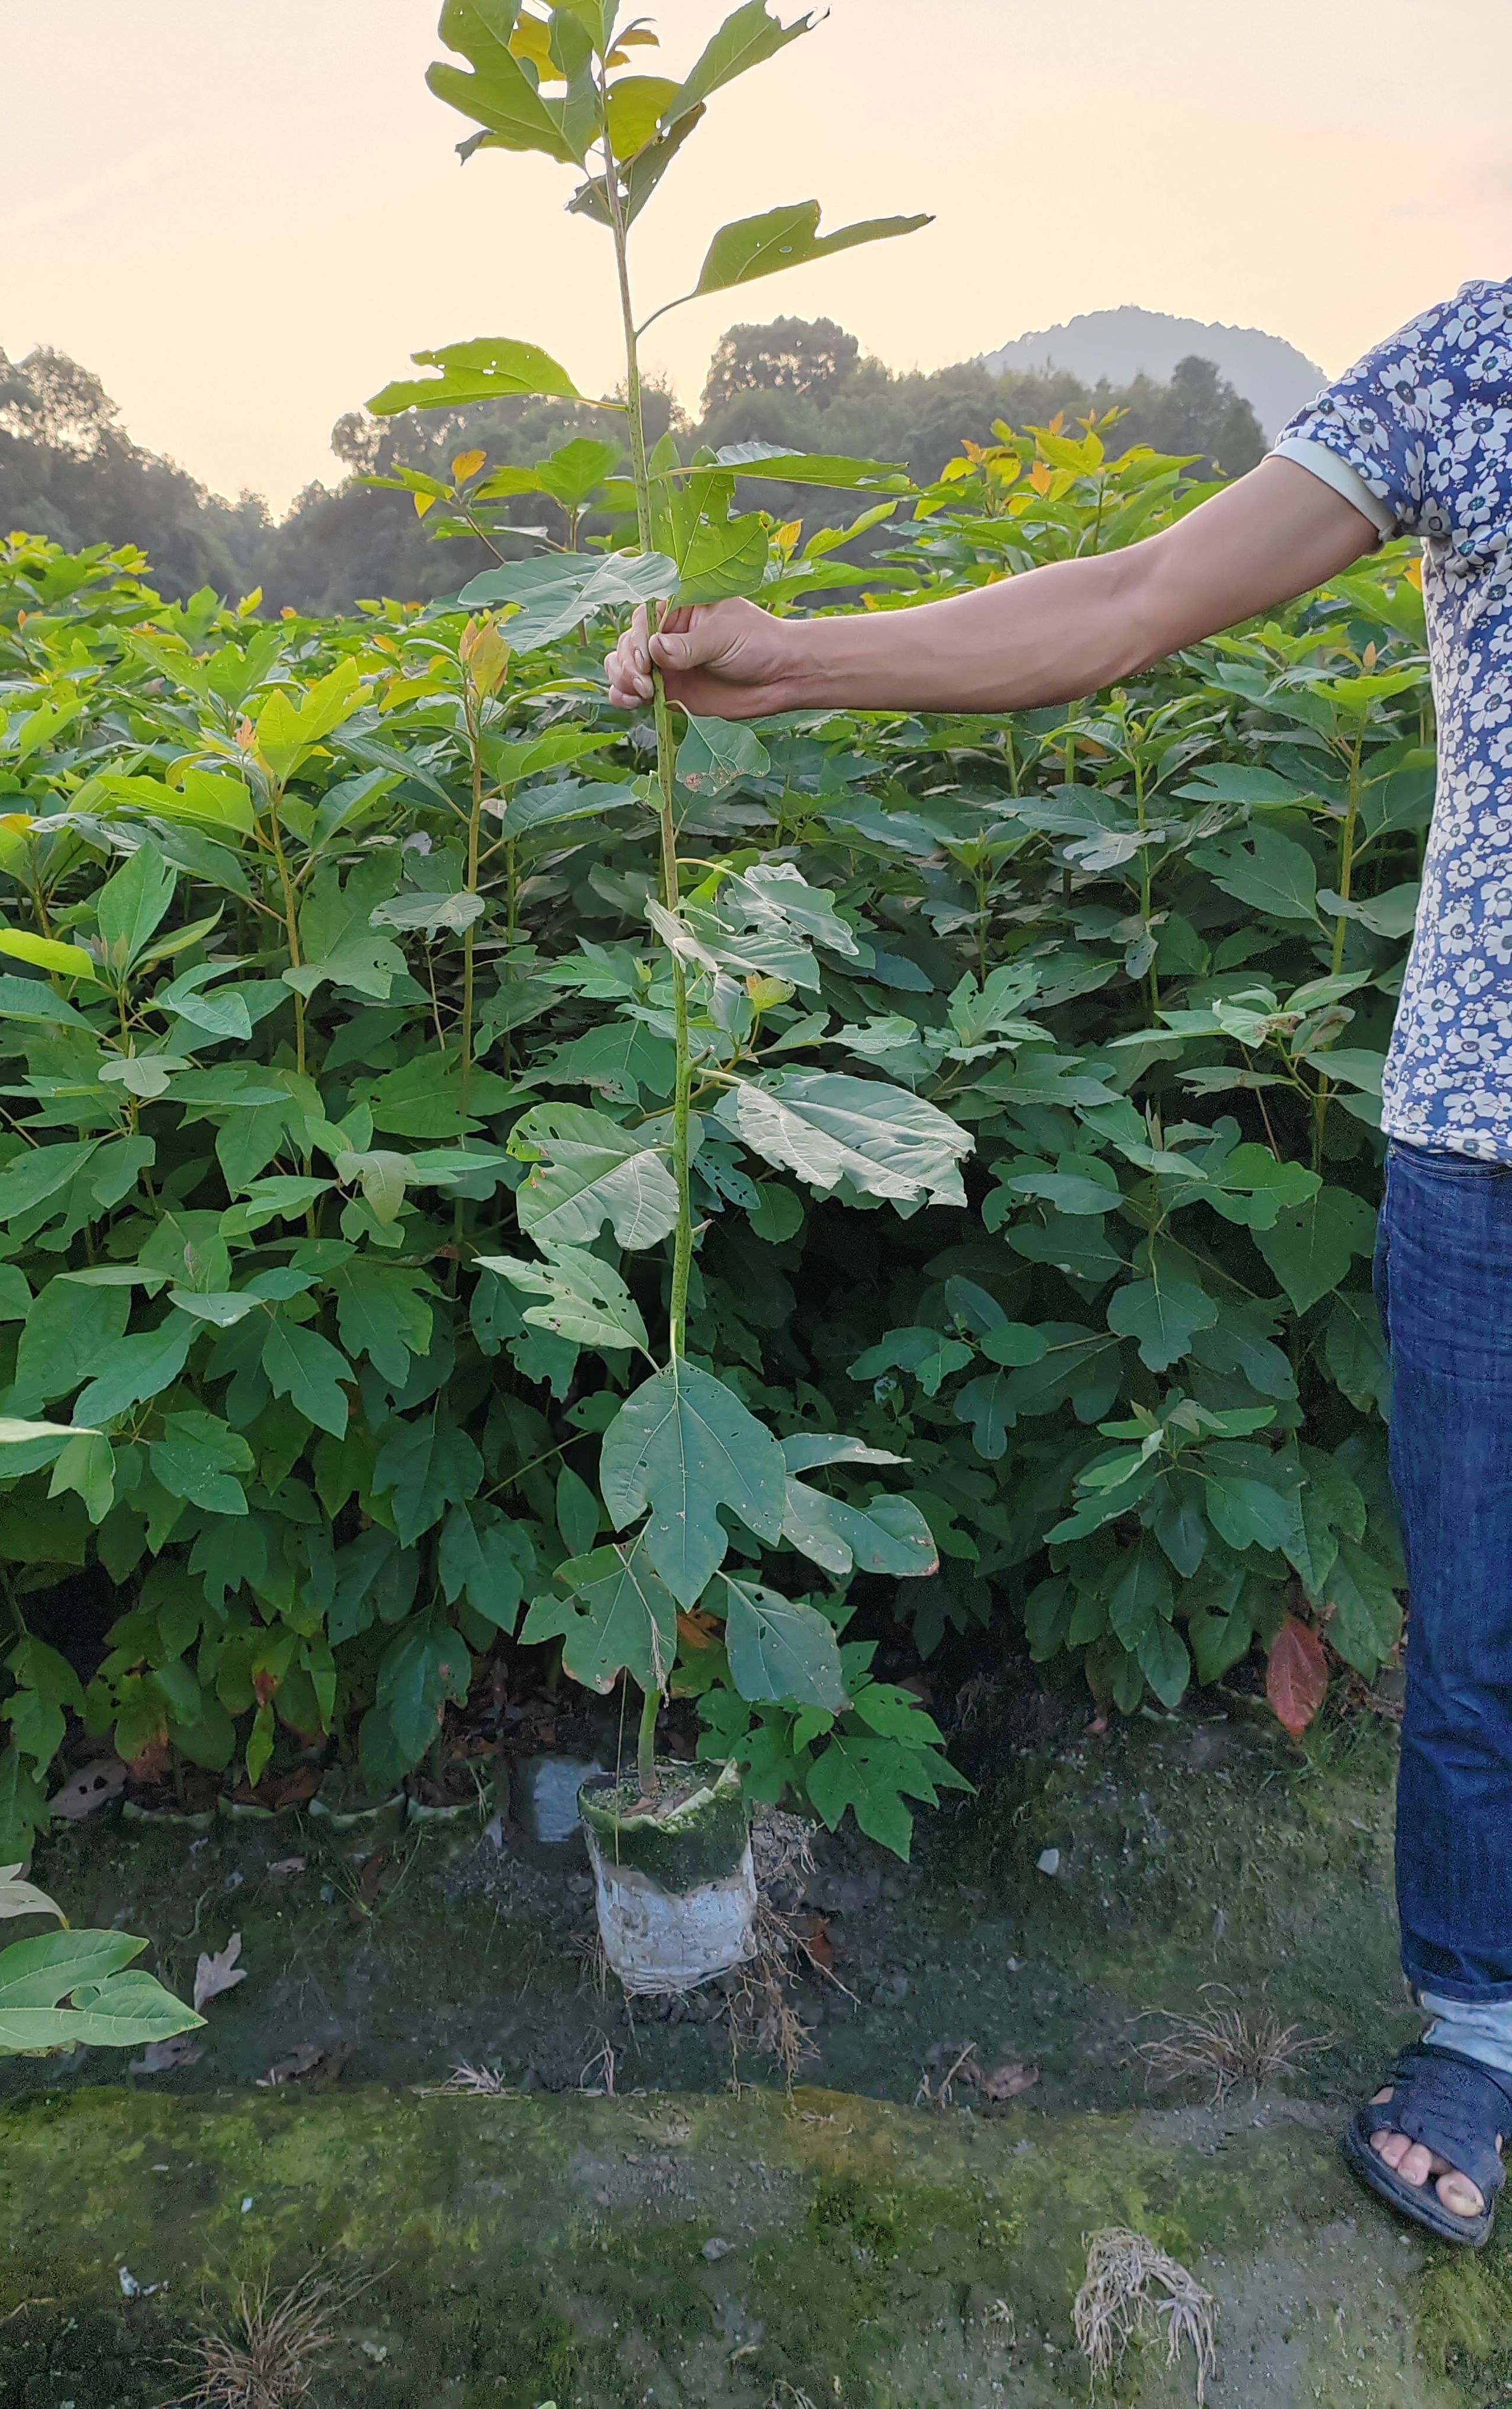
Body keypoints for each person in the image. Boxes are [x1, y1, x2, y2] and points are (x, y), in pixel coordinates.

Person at [606, 282, 1512, 2250]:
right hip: (1487, 1131)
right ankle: (1483, 2025)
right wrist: (801, 656)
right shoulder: (1481, 364)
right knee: (1484, 1631)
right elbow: (1128, 601)